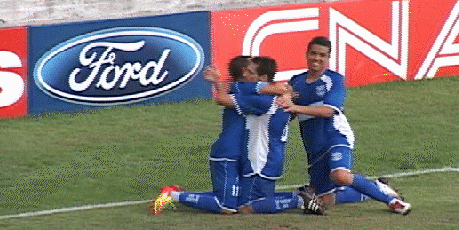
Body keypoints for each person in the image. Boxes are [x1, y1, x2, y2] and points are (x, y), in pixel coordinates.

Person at [152, 56, 324, 215]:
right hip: (245, 156)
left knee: (241, 205)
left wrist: (219, 83)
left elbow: (223, 98)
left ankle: (298, 199)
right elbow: (268, 87)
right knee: (233, 202)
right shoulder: (273, 95)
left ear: (262, 78)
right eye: (244, 70)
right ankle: (299, 196)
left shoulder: (261, 100)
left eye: (250, 71)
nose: (245, 73)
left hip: (257, 159)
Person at [281, 36, 411, 215]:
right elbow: (288, 112)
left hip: (334, 135)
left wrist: (294, 106)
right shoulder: (296, 82)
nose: (317, 58)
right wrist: (284, 104)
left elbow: (329, 110)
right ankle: (375, 188)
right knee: (324, 199)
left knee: (339, 175)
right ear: (306, 54)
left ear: (328, 58)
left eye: (322, 55)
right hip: (313, 147)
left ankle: (392, 201)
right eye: (313, 53)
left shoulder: (334, 80)